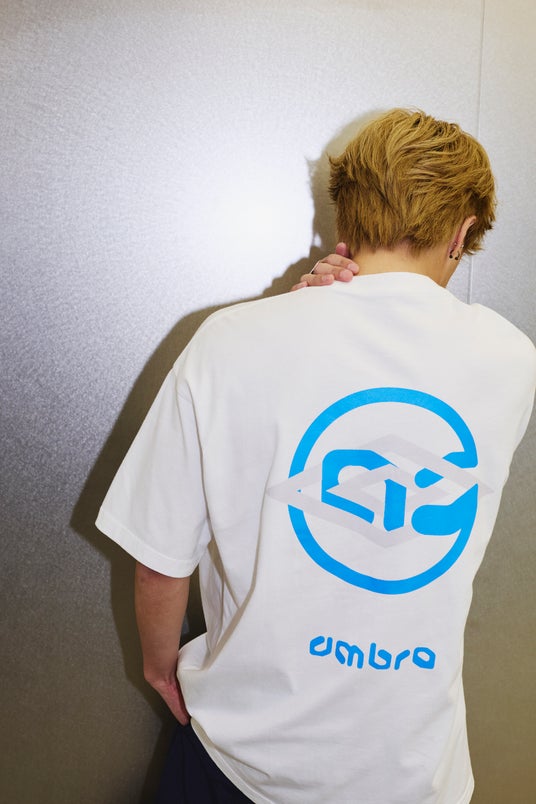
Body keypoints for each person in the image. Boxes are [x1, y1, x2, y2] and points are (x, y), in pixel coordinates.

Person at [96, 109, 535, 803]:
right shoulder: (512, 361)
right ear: (461, 232)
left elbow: (159, 559)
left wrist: (160, 670)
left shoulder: (230, 341)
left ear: (346, 215)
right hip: (411, 773)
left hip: (241, 761)